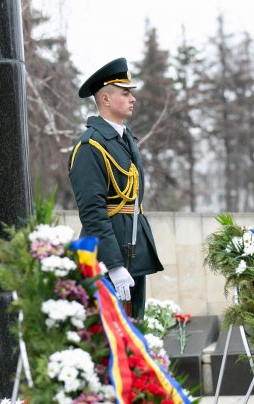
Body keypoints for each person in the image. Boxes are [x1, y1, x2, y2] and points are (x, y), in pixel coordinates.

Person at [68, 58, 163, 319]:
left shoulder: (124, 138)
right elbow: (92, 211)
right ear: (106, 99)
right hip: (107, 256)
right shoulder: (91, 146)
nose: (132, 99)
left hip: (134, 245)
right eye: (125, 93)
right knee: (109, 337)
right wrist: (114, 264)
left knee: (135, 329)